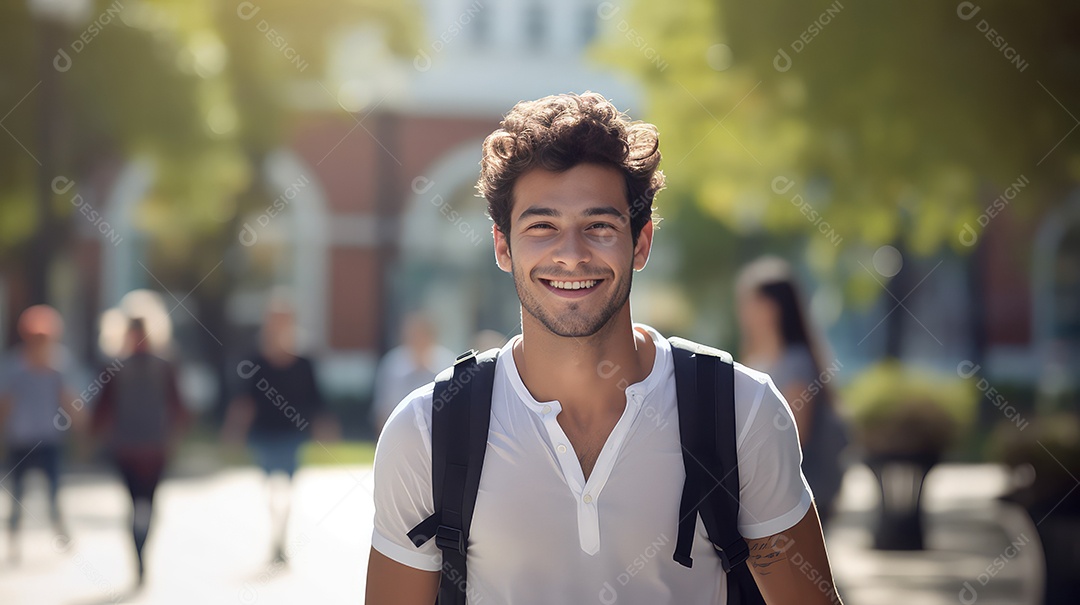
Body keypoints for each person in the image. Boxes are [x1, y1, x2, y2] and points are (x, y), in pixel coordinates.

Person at [366, 92, 842, 604]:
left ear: (640, 243)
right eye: (542, 226)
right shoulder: (427, 430)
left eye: (599, 226)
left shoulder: (740, 410)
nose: (571, 255)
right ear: (503, 246)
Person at [736, 257, 849, 526]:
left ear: (773, 309)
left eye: (752, 303)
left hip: (797, 492)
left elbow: (796, 432)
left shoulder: (796, 363)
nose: (744, 312)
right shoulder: (755, 358)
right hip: (765, 489)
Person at [222, 299, 327, 564]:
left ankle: (282, 535)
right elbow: (245, 401)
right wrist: (234, 431)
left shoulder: (304, 362)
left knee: (288, 489)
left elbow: (316, 399)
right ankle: (275, 534)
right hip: (264, 434)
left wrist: (324, 428)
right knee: (270, 489)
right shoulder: (256, 361)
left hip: (293, 433)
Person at [92, 316, 188, 586]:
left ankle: (143, 551)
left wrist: (176, 436)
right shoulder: (114, 367)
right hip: (126, 447)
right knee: (135, 504)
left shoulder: (164, 365)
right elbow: (103, 406)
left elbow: (178, 404)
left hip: (156, 446)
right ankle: (138, 558)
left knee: (149, 503)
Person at [0, 305, 80, 563]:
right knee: (17, 495)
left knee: (55, 492)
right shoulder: (14, 366)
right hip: (21, 439)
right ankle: (13, 540)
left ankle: (61, 532)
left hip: (50, 437)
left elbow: (69, 399)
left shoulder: (59, 364)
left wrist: (82, 426)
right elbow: (6, 402)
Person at [370, 314, 455, 436]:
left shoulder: (448, 365)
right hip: (400, 437)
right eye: (414, 335)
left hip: (438, 439)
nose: (418, 339)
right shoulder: (392, 365)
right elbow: (382, 411)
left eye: (423, 334)